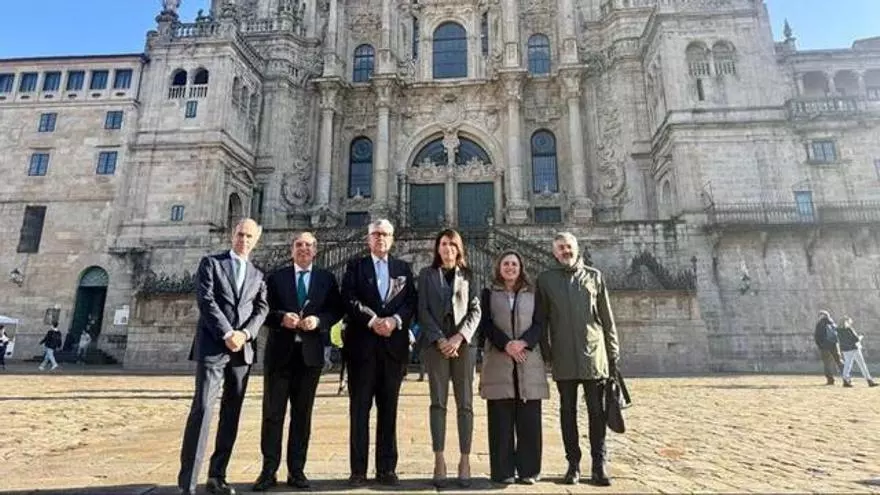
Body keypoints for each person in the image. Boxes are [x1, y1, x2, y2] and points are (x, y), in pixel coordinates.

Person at [177, 218, 269, 495]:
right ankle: (188, 483)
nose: (244, 240)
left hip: (242, 351)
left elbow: (262, 309)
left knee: (231, 413)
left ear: (257, 239)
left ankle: (217, 475)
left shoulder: (258, 274)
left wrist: (246, 334)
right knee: (203, 409)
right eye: (240, 234)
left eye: (249, 236)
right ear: (232, 234)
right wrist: (228, 333)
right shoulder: (211, 263)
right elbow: (206, 300)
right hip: (214, 347)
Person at [253, 232, 343, 491]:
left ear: (316, 250)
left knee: (302, 416)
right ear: (292, 250)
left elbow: (336, 310)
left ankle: (297, 471)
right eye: (299, 245)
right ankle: (268, 470)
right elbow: (263, 311)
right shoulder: (276, 277)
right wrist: (281, 318)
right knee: (273, 414)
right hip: (279, 356)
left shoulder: (326, 279)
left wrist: (319, 321)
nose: (304, 248)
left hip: (310, 356)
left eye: (308, 245)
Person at [537, 232, 619, 487]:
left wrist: (613, 353)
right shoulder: (546, 280)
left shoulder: (594, 277)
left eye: (569, 246)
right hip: (563, 356)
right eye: (561, 248)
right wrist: (547, 352)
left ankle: (598, 465)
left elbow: (607, 319)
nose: (566, 251)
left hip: (594, 355)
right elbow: (541, 320)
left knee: (597, 412)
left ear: (577, 248)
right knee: (567, 412)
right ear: (554, 252)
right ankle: (572, 464)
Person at [341, 218, 417, 487]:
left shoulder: (403, 268)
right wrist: (373, 320)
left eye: (385, 234)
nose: (380, 238)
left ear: (392, 239)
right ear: (368, 239)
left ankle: (387, 468)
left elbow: (411, 301)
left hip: (392, 350)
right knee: (359, 411)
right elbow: (349, 299)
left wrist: (395, 321)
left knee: (389, 411)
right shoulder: (355, 266)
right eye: (376, 234)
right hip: (362, 349)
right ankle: (358, 470)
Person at [417, 229, 482, 488]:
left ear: (459, 248)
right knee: (438, 403)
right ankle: (439, 459)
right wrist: (440, 339)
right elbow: (422, 310)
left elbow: (476, 310)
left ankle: (465, 460)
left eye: (452, 244)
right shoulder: (426, 275)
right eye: (443, 244)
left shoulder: (469, 275)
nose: (447, 249)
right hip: (436, 346)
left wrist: (459, 337)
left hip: (463, 346)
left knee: (465, 404)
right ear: (437, 248)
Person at [479, 250, 548, 485]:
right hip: (499, 360)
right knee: (500, 420)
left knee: (530, 421)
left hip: (528, 360)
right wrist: (506, 344)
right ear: (499, 267)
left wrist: (524, 343)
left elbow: (540, 323)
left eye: (514, 264)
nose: (510, 268)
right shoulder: (489, 293)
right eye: (506, 264)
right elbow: (486, 324)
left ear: (521, 268)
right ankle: (502, 471)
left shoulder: (534, 293)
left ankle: (529, 470)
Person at [837, 316, 878, 388]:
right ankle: (869, 380)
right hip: (854, 348)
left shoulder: (838, 330)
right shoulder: (849, 329)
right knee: (861, 364)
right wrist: (861, 337)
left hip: (845, 349)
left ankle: (845, 379)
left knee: (847, 364)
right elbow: (856, 339)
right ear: (847, 322)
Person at [814, 310, 842, 385]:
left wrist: (820, 345)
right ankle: (846, 377)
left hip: (824, 347)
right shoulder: (832, 323)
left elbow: (817, 336)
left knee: (827, 363)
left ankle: (830, 379)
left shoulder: (820, 324)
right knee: (839, 361)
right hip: (834, 345)